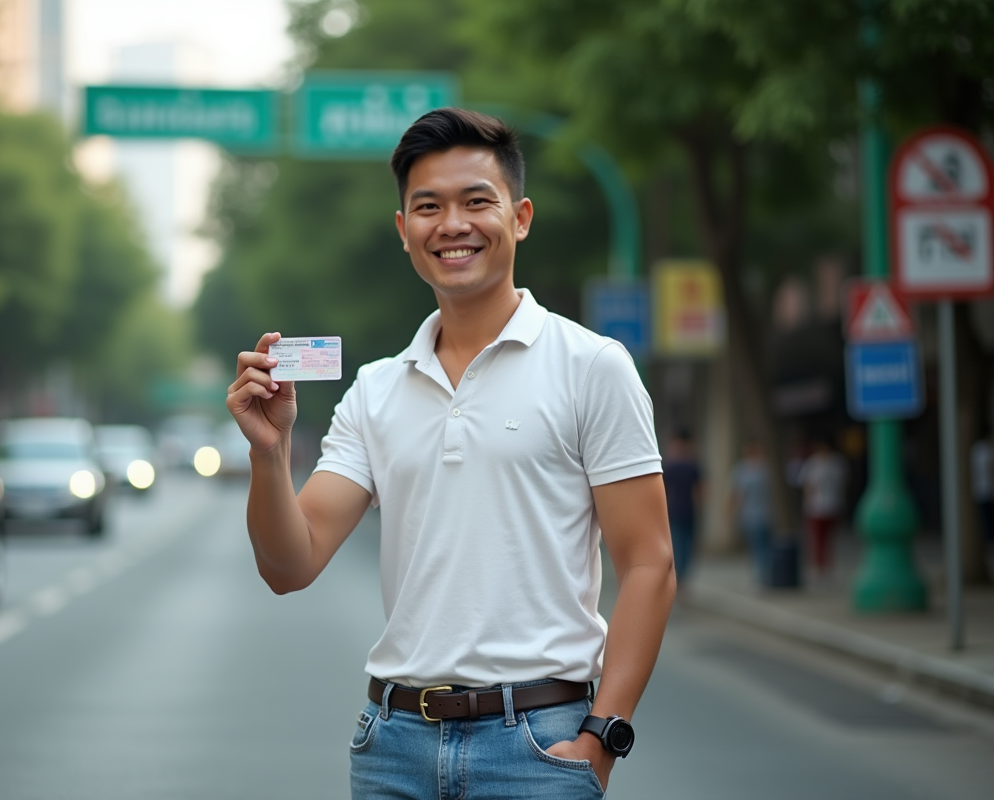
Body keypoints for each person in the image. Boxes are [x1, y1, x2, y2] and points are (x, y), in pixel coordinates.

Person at [227, 108, 674, 799]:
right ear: (405, 231)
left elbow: (649, 564)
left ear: (519, 217)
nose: (453, 225)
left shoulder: (593, 366)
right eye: (428, 207)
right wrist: (269, 452)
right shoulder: (376, 390)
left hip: (537, 747)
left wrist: (600, 740)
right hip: (391, 747)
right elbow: (291, 564)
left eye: (477, 202)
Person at [797, 437, 848, 579]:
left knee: (828, 537)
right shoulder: (812, 464)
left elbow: (842, 482)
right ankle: (818, 565)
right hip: (815, 507)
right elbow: (806, 484)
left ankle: (826, 564)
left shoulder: (836, 463)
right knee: (817, 538)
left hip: (832, 505)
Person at [662, 430, 701, 584]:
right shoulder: (687, 465)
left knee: (682, 547)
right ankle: (680, 579)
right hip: (679, 512)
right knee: (681, 547)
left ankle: (680, 578)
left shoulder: (673, 466)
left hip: (680, 511)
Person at [730, 440, 771, 585]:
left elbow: (738, 494)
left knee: (758, 547)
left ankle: (762, 576)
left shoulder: (744, 470)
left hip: (755, 514)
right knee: (762, 546)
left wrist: (733, 511)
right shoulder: (765, 469)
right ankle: (764, 574)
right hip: (760, 514)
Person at [972, 426, 994, 545]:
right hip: (988, 490)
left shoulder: (976, 448)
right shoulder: (987, 449)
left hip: (979, 489)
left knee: (985, 520)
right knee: (989, 521)